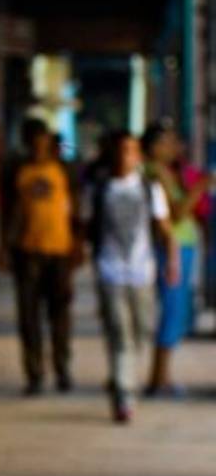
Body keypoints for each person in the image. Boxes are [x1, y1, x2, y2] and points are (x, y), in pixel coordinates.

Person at [85, 130, 176, 423]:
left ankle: (122, 377)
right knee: (119, 334)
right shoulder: (99, 190)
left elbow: (164, 229)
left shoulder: (150, 189)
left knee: (140, 333)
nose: (126, 156)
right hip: (110, 271)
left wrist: (172, 261)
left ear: (138, 156)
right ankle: (125, 393)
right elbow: (86, 227)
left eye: (131, 150)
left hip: (142, 273)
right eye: (121, 150)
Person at [0, 117, 82, 395]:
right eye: (32, 143)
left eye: (42, 142)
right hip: (27, 252)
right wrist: (4, 248)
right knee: (29, 317)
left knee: (59, 315)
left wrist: (78, 246)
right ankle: (34, 373)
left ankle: (62, 368)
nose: (38, 147)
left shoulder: (64, 171)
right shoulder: (17, 172)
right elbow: (8, 213)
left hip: (59, 251)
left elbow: (76, 211)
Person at [142, 120, 208, 396]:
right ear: (155, 147)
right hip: (173, 249)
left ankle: (162, 376)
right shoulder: (155, 172)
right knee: (172, 310)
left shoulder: (168, 171)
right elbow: (178, 212)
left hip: (183, 247)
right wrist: (203, 185)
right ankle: (159, 378)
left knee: (177, 311)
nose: (174, 148)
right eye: (167, 142)